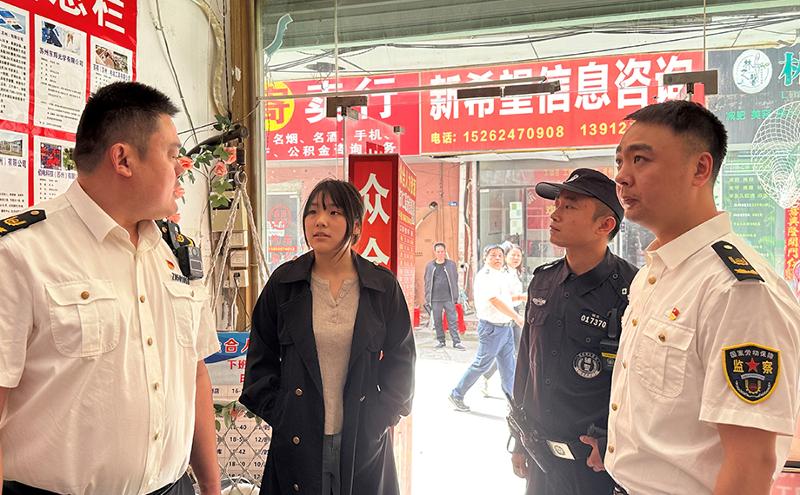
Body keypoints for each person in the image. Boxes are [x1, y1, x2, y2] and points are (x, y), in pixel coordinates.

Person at [0, 82, 220, 494]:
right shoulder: (19, 253)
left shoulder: (177, 252)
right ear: (123, 159)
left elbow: (195, 372)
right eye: (172, 153)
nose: (183, 166)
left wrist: (211, 486)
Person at [604, 99, 800, 494]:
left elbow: (751, 463)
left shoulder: (737, 290)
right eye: (620, 161)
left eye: (640, 160)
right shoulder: (654, 275)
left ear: (700, 169)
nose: (622, 177)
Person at [240, 179, 416, 495]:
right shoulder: (285, 283)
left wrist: (381, 416)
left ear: (356, 226)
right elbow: (260, 359)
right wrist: (283, 412)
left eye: (334, 212)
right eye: (312, 212)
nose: (320, 221)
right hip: (298, 439)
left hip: (362, 438)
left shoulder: (381, 286)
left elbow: (402, 359)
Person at [510, 168, 637, 495]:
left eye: (570, 206)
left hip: (597, 466)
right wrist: (518, 439)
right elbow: (525, 363)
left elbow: (641, 384)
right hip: (540, 460)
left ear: (604, 225)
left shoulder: (633, 289)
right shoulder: (543, 281)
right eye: (557, 205)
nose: (555, 214)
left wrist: (614, 443)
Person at [449, 245, 523, 412]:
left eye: (500, 255)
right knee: (481, 365)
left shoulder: (500, 274)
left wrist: (520, 297)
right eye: (493, 255)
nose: (497, 258)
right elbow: (495, 301)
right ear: (485, 258)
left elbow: (505, 298)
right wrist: (517, 317)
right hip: (492, 329)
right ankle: (457, 394)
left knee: (508, 366)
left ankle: (513, 402)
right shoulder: (485, 276)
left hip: (506, 328)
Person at [482, 244, 527, 395]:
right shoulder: (502, 273)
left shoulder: (516, 273)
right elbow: (501, 298)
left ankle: (510, 387)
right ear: (505, 256)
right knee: (508, 350)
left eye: (518, 255)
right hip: (505, 313)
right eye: (512, 255)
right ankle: (490, 377)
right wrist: (520, 298)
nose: (516, 258)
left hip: (514, 311)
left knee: (512, 350)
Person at [423, 242, 464, 349]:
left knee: (452, 320)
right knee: (437, 321)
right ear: (435, 252)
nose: (440, 254)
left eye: (442, 252)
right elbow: (427, 282)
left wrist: (455, 296)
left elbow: (454, 280)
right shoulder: (430, 266)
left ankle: (456, 342)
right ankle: (441, 341)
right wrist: (427, 297)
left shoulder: (451, 265)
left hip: (449, 298)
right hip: (435, 298)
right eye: (438, 252)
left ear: (445, 252)